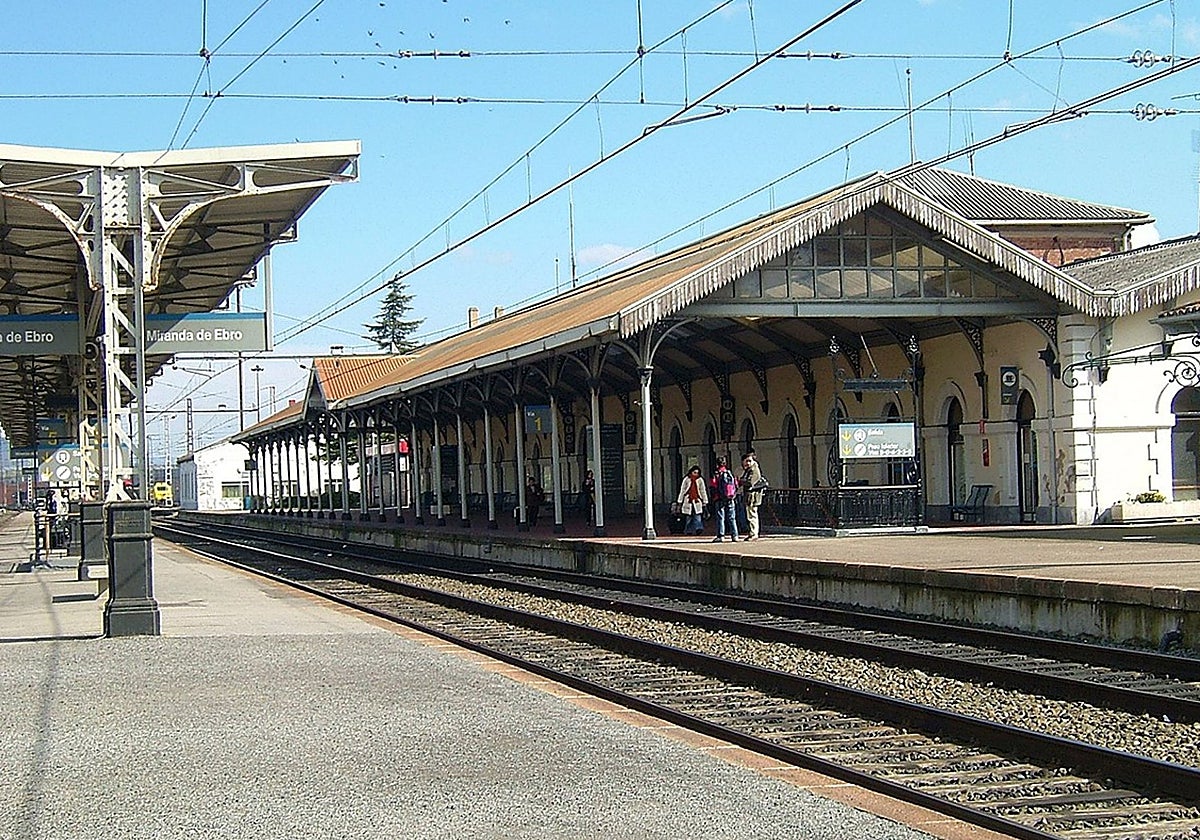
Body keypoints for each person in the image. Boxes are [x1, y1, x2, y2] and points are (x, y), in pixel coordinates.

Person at [709, 456, 739, 542]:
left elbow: (713, 485)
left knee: (720, 517)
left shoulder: (716, 473)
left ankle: (721, 535)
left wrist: (713, 496)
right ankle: (735, 535)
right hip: (730, 497)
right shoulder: (729, 473)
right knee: (732, 517)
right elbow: (736, 485)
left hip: (719, 498)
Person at [674, 465, 709, 536]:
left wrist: (705, 501)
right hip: (688, 500)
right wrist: (679, 501)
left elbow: (702, 491)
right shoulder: (686, 479)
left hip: (697, 500)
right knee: (688, 517)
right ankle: (688, 530)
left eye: (697, 473)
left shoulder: (700, 480)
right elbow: (683, 490)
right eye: (694, 472)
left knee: (697, 516)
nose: (695, 474)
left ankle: (698, 528)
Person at [740, 452, 765, 541]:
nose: (747, 463)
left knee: (752, 515)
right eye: (746, 461)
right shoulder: (749, 470)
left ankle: (754, 533)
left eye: (749, 461)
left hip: (753, 496)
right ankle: (752, 533)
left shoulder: (754, 470)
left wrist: (741, 481)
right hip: (749, 496)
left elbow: (750, 482)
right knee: (749, 515)